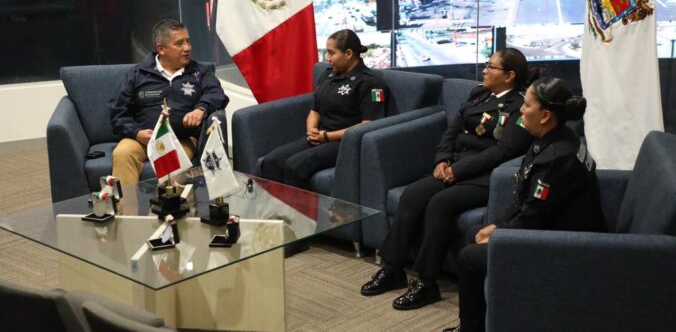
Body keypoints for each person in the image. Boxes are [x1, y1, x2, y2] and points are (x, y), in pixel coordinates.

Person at [360, 48, 536, 310]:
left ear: (510, 76)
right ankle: (392, 268)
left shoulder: (520, 106)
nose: (485, 70)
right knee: (413, 194)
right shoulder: (479, 94)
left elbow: (504, 152)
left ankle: (426, 282)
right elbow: (451, 132)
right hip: (455, 166)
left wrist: (459, 170)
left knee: (440, 203)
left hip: (486, 176)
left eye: (491, 67)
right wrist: (442, 160)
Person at [445, 77, 606, 332]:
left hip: (564, 245)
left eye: (527, 105)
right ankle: (486, 320)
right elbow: (527, 198)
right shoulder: (554, 137)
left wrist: (502, 231)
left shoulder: (556, 157)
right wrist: (499, 225)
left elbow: (535, 214)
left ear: (545, 115)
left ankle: (472, 328)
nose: (521, 109)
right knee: (473, 233)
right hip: (549, 227)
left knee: (469, 257)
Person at [259, 29, 387, 189]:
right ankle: (273, 212)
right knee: (271, 162)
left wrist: (326, 136)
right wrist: (311, 130)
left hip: (344, 143)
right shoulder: (328, 75)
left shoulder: (371, 83)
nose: (327, 58)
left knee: (295, 166)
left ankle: (297, 214)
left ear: (348, 53)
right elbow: (315, 109)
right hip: (319, 137)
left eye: (332, 53)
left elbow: (369, 124)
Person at [109, 19, 228, 183]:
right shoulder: (137, 74)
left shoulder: (200, 72)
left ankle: (172, 209)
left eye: (188, 41)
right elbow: (118, 112)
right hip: (143, 139)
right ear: (161, 49)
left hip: (181, 139)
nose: (187, 48)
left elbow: (217, 93)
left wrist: (201, 109)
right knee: (122, 154)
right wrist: (135, 133)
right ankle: (127, 208)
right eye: (179, 43)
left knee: (173, 164)